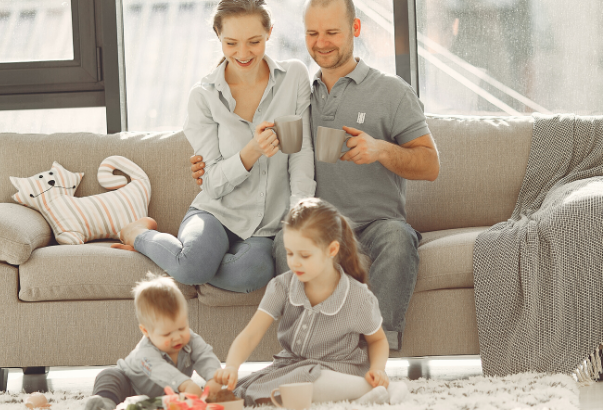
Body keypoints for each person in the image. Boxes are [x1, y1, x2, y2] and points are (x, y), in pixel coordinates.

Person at [191, 0, 439, 349]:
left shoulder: (392, 91)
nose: (321, 42)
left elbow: (430, 164)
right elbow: (255, 138)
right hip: (319, 227)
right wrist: (206, 164)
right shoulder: (301, 92)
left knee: (400, 240)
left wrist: (380, 149)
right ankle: (307, 347)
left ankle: (373, 349)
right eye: (313, 33)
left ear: (355, 30)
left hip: (378, 224)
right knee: (284, 243)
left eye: (332, 32)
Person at [114, 0, 315, 294]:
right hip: (216, 214)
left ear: (270, 33)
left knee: (255, 271)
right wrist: (252, 150)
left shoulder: (294, 77)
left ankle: (198, 262)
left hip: (264, 227)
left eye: (254, 41)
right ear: (218, 36)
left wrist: (299, 212)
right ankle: (139, 234)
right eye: (231, 43)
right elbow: (212, 184)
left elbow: (301, 151)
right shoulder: (204, 97)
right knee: (192, 266)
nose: (243, 53)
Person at [213, 198, 408, 406]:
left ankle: (377, 389)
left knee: (306, 381)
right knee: (248, 390)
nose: (294, 262)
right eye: (289, 253)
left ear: (332, 250)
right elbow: (251, 334)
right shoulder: (281, 286)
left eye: (304, 255)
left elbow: (377, 340)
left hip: (339, 369)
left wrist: (377, 369)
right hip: (293, 368)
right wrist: (232, 366)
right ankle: (363, 395)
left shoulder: (358, 296)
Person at [85, 273, 223, 410]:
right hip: (130, 384)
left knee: (182, 399)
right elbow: (159, 369)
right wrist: (185, 384)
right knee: (109, 376)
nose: (177, 336)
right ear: (146, 331)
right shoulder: (145, 352)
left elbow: (205, 356)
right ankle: (104, 403)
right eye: (167, 333)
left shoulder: (191, 340)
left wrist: (213, 378)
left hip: (165, 394)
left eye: (182, 328)